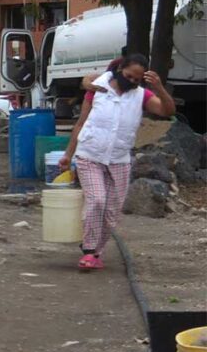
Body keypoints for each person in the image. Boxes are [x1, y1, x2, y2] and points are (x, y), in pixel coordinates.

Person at [59, 54, 175, 270]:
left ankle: (96, 251)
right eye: (129, 76)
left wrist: (159, 88)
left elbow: (167, 110)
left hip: (119, 159)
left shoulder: (141, 96)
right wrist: (68, 155)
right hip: (90, 154)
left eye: (136, 80)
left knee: (112, 210)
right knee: (97, 200)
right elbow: (81, 123)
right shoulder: (98, 88)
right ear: (120, 69)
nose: (131, 82)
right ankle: (89, 250)